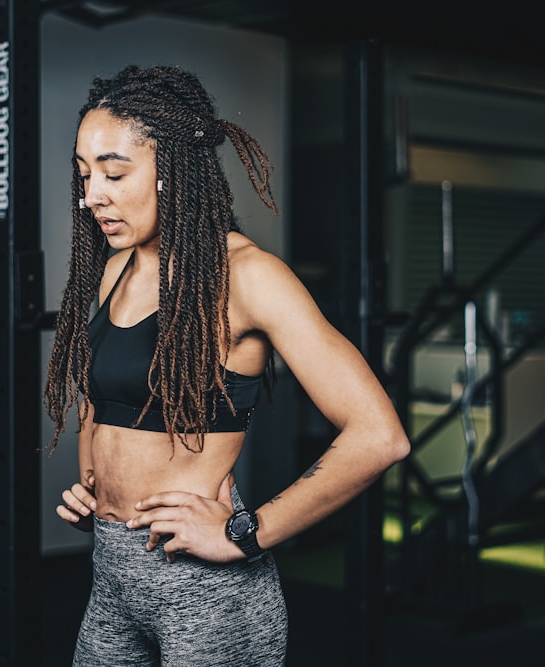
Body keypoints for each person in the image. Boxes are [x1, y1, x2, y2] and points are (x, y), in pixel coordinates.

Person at [43, 64, 410, 667]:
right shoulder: (116, 268)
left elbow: (380, 435)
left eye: (113, 172)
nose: (92, 195)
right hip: (111, 577)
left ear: (173, 172)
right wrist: (96, 489)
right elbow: (103, 401)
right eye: (84, 175)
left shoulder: (249, 277)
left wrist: (246, 532)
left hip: (204, 590)